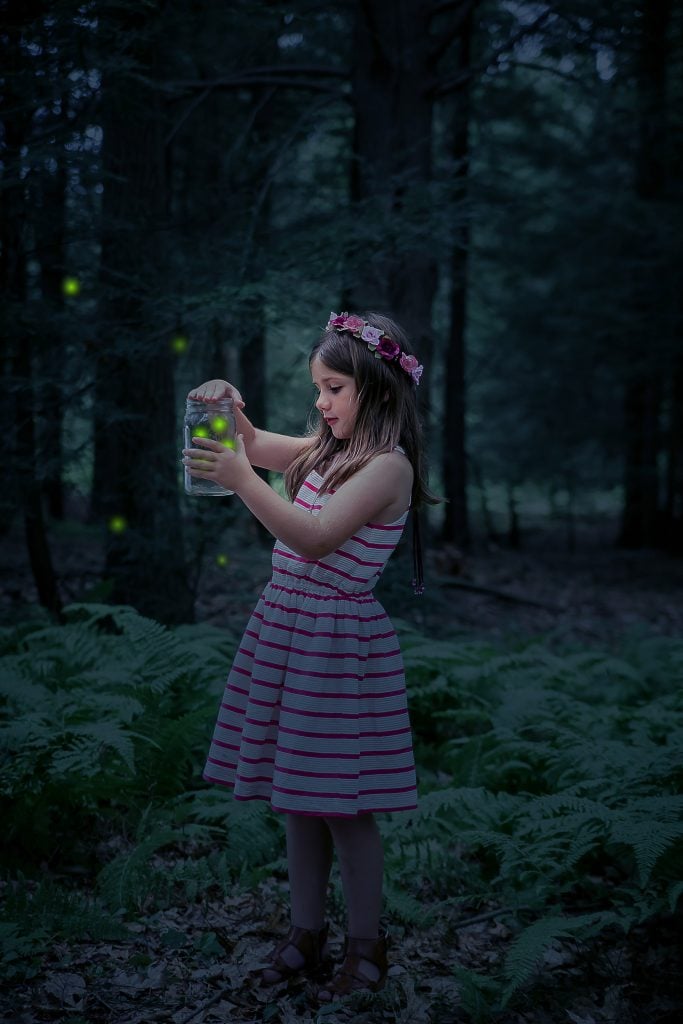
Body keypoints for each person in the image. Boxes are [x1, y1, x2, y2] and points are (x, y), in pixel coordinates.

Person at [182, 311, 432, 1001]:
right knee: (297, 797)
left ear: (376, 389)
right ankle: (306, 933)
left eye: (333, 389)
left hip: (334, 646)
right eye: (317, 388)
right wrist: (228, 411)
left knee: (343, 806)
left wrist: (242, 480)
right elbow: (257, 445)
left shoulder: (387, 468)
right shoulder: (327, 450)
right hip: (289, 632)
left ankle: (366, 945)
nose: (320, 402)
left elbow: (316, 538)